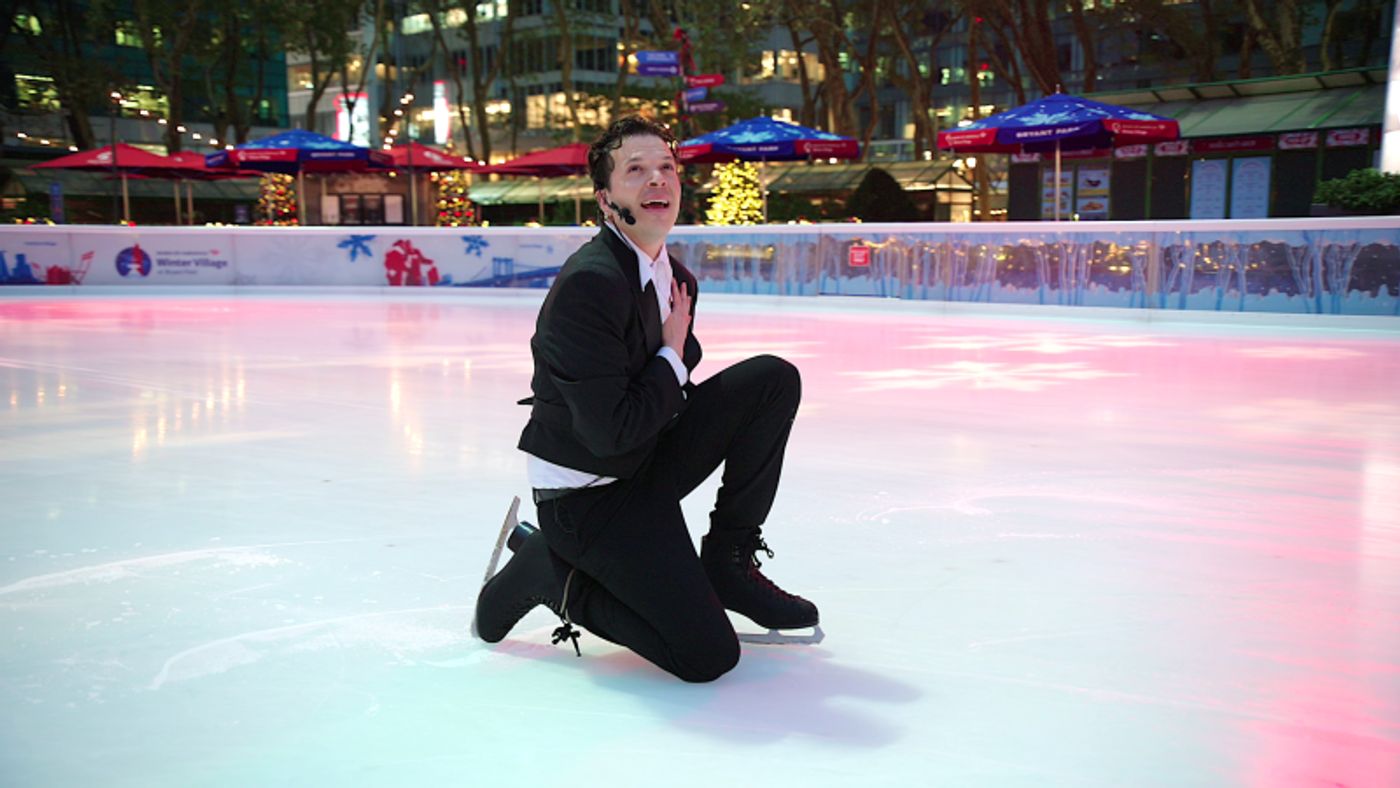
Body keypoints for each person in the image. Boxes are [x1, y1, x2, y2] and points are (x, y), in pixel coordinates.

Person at [473, 115, 816, 683]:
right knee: (708, 656)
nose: (658, 180)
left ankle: (728, 561)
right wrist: (672, 356)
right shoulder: (589, 285)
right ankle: (550, 575)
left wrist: (672, 363)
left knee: (772, 380)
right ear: (606, 199)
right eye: (636, 170)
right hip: (590, 497)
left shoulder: (676, 278)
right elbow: (609, 433)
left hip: (643, 460)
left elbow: (660, 402)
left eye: (666, 167)